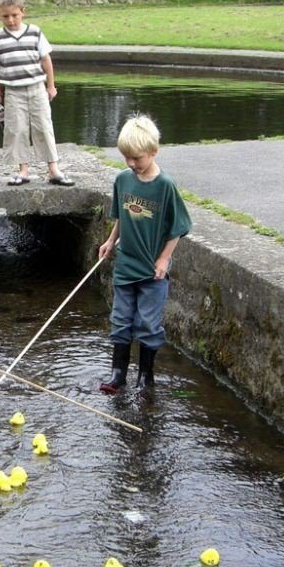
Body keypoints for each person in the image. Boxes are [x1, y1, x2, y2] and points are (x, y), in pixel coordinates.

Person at [98, 115, 192, 393]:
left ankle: (145, 377)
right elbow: (121, 217)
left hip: (152, 272)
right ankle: (118, 374)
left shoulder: (165, 186)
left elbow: (178, 228)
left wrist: (164, 259)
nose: (130, 163)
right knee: (121, 320)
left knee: (148, 324)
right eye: (126, 157)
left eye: (136, 158)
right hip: (125, 266)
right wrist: (110, 240)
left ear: (154, 151)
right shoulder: (123, 180)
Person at [0, 0, 73, 188]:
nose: (10, 20)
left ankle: (53, 169)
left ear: (23, 12)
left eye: (14, 15)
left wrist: (51, 85)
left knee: (44, 126)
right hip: (13, 91)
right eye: (5, 16)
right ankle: (23, 171)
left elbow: (46, 60)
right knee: (16, 129)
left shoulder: (35, 32)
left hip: (37, 88)